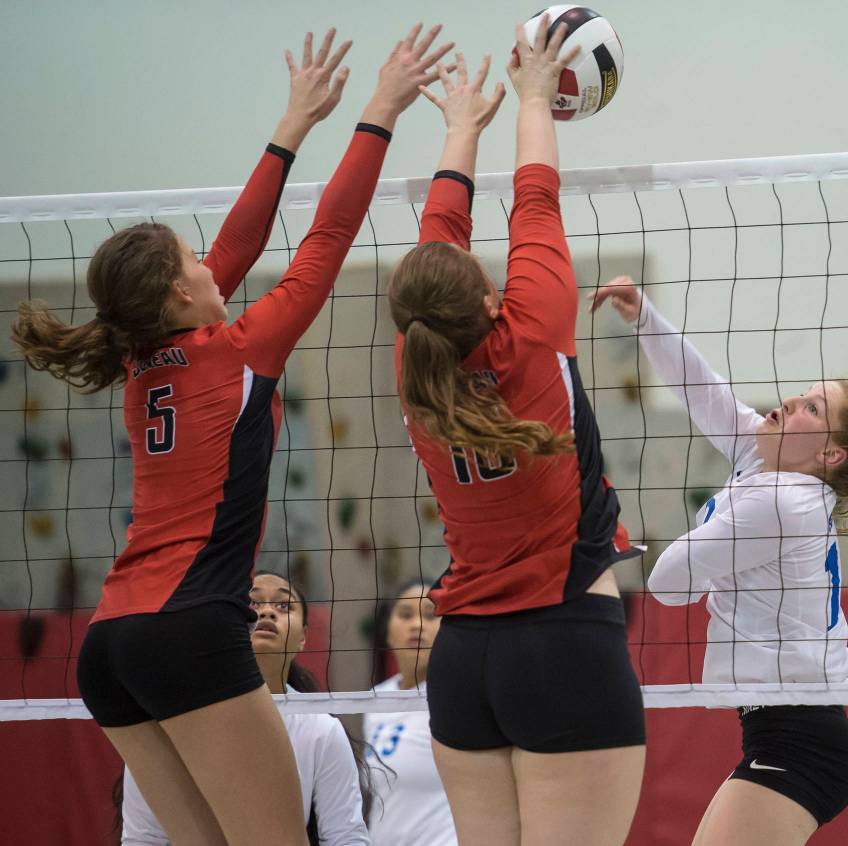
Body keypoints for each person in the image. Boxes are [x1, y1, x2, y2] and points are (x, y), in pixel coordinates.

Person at [12, 25, 452, 846]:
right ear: (181, 292)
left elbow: (240, 243)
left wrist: (292, 126)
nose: (215, 263)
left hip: (111, 644)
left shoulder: (144, 358)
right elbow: (326, 240)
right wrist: (380, 111)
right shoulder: (239, 353)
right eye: (196, 259)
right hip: (188, 630)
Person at [591, 274, 848, 845]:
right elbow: (707, 393)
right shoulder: (770, 466)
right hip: (784, 734)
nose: (789, 401)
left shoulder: (782, 501)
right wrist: (644, 315)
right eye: (802, 393)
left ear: (829, 452)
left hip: (800, 741)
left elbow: (668, 583)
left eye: (811, 407)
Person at [386, 18, 646, 846]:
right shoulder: (531, 331)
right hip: (563, 643)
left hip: (463, 664)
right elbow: (535, 196)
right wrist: (532, 96)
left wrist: (462, 127)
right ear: (492, 301)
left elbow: (441, 244)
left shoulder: (412, 360)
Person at [120, 571, 371, 845]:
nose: (266, 613)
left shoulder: (320, 729)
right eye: (252, 603)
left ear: (303, 637)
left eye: (283, 606)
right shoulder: (169, 721)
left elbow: (346, 837)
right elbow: (143, 839)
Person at [363, 580, 456, 845]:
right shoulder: (375, 699)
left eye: (430, 615)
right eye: (405, 615)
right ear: (388, 632)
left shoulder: (458, 696)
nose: (417, 625)